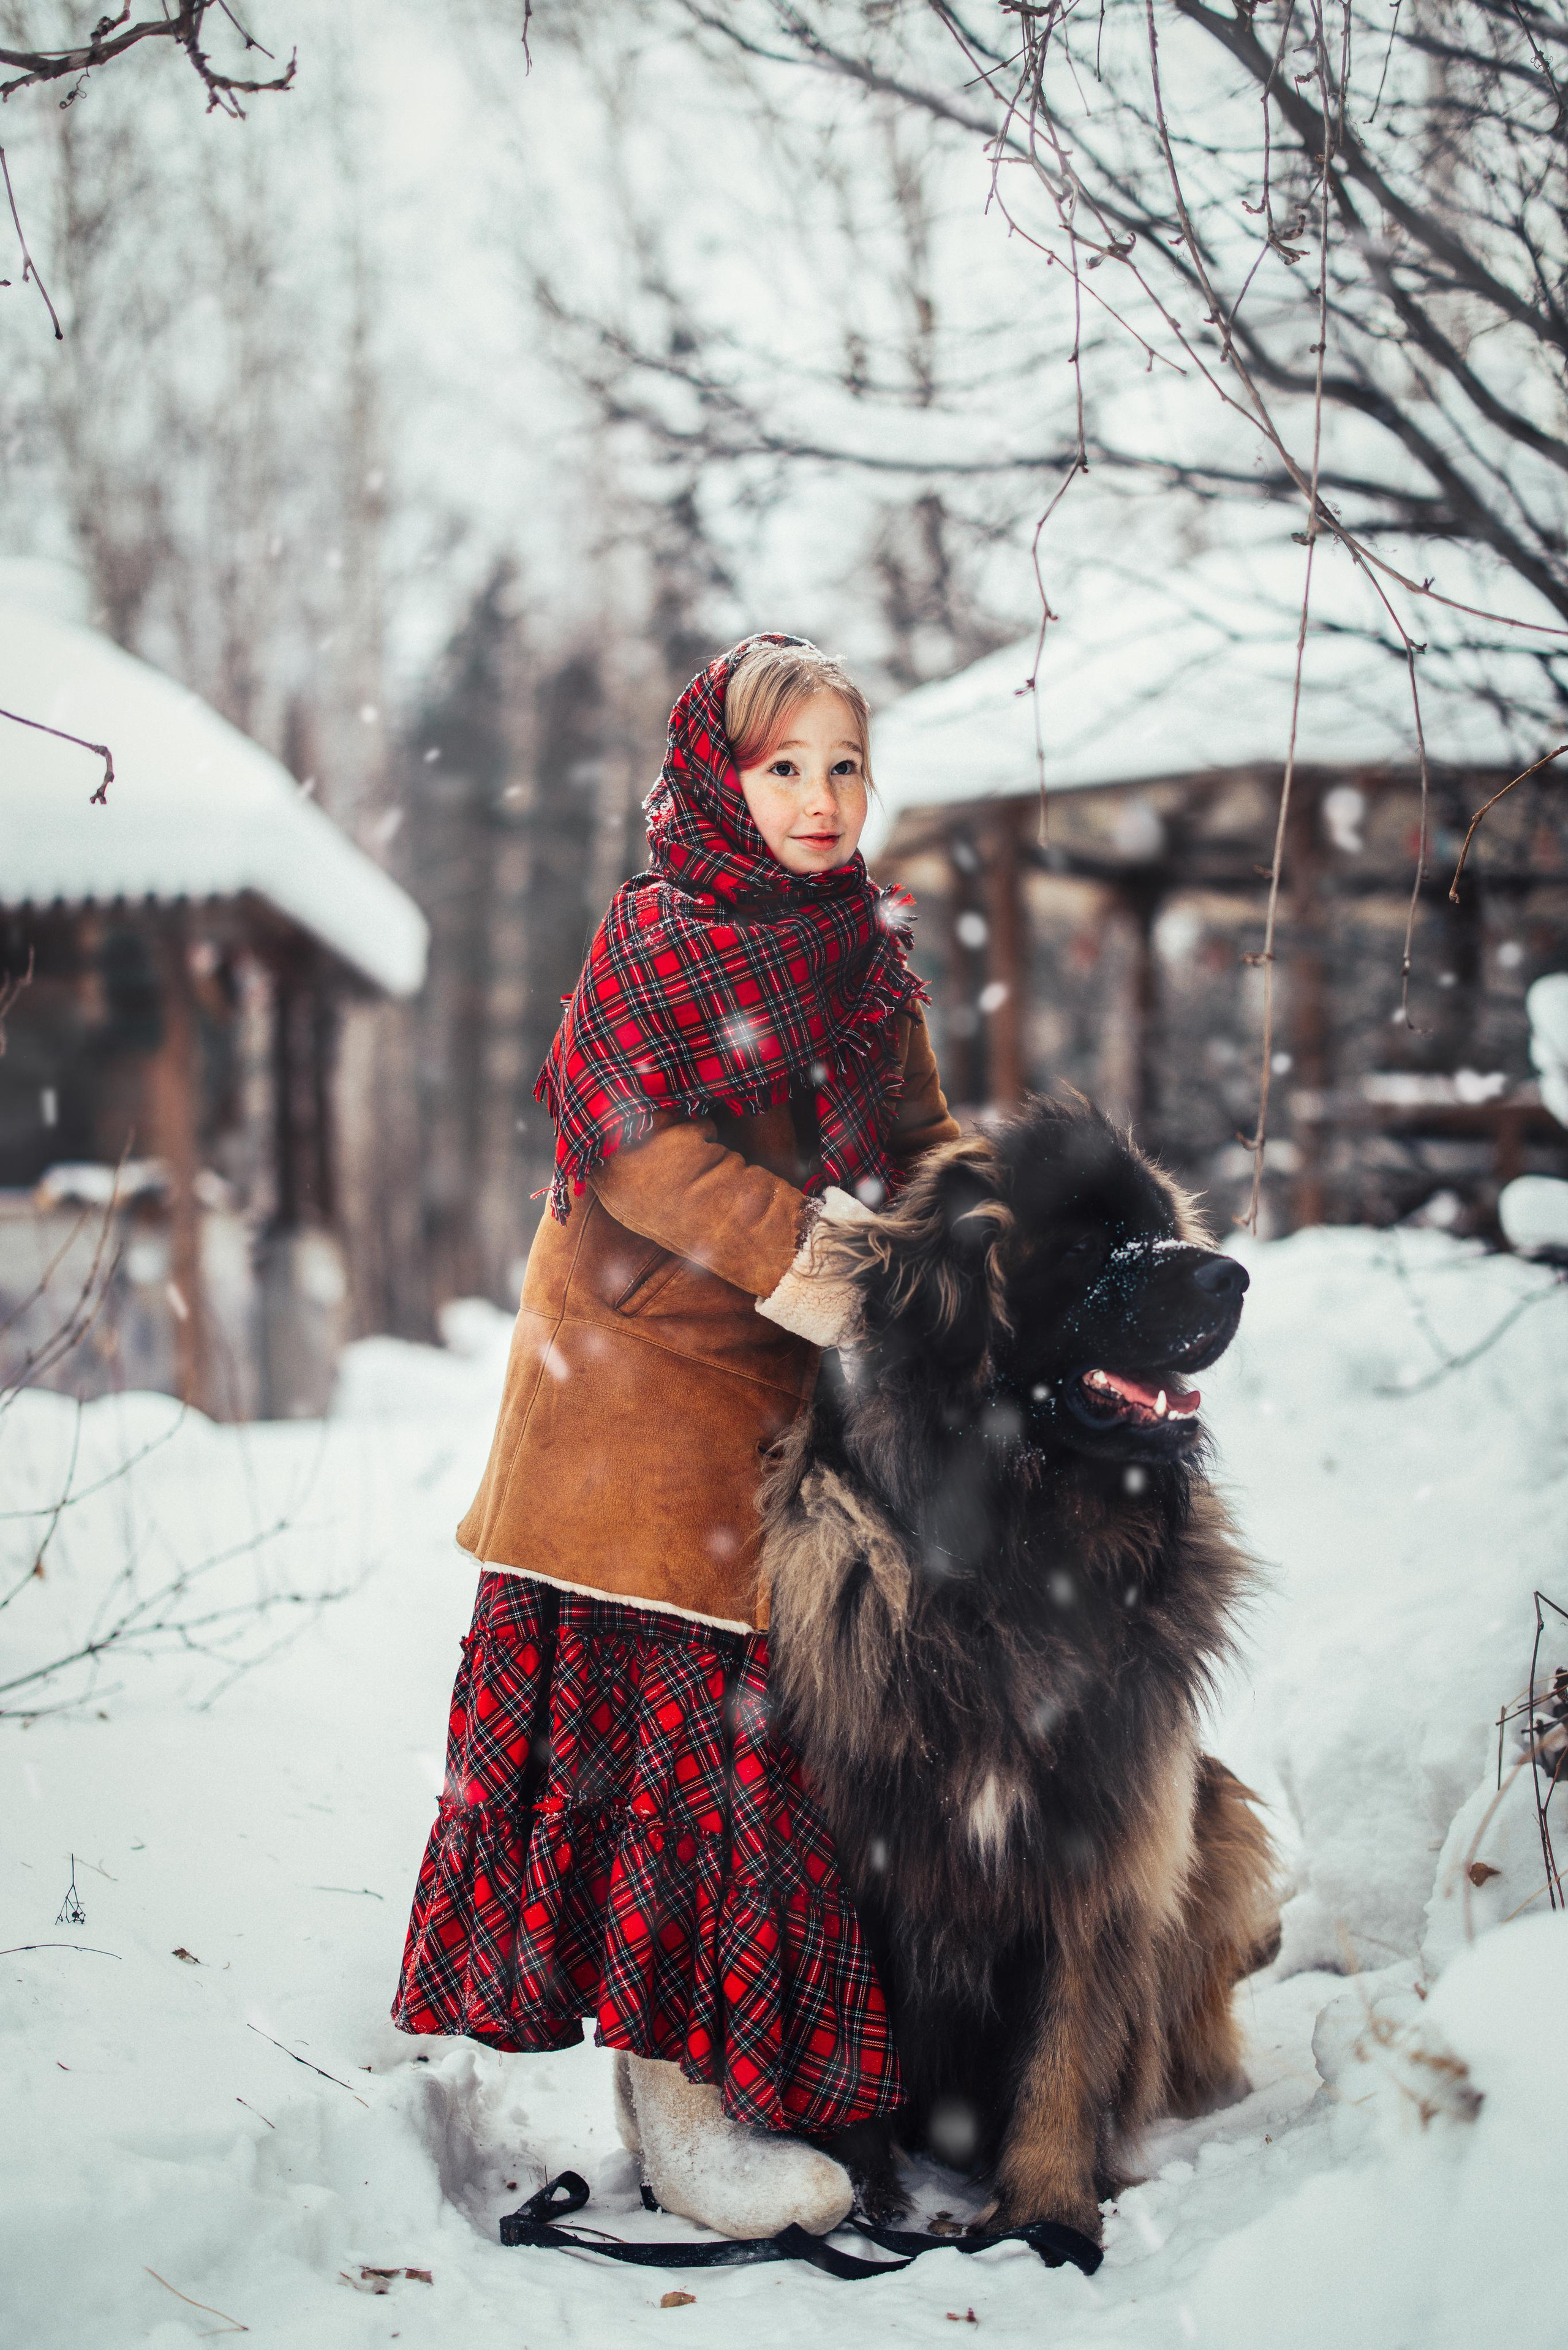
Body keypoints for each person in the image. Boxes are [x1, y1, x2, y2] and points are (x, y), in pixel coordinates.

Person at [393, 633, 959, 2238]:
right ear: (719, 777)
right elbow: (643, 1157)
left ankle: (765, 2071)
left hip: (784, 1402)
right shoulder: (660, 934)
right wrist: (844, 1269)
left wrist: (988, 1224)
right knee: (670, 1759)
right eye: (783, 766)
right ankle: (681, 2111)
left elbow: (919, 1134)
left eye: (845, 764)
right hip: (634, 1397)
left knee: (768, 1756)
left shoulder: (861, 952)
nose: (820, 798)